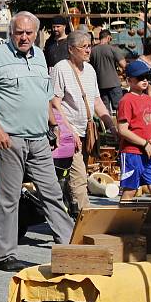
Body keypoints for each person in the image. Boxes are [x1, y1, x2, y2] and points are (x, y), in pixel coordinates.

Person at [0, 11, 74, 271]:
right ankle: (5, 255)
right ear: (11, 32)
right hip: (10, 138)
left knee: (53, 193)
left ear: (36, 33)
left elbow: (45, 96)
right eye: (19, 32)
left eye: (29, 32)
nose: (24, 37)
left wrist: (54, 125)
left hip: (39, 138)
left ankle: (71, 246)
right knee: (9, 198)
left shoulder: (40, 56)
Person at [51, 30, 117, 212]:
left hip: (86, 132)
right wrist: (68, 130)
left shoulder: (90, 70)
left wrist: (110, 124)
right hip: (69, 133)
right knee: (79, 178)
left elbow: (96, 100)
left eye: (90, 46)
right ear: (71, 49)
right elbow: (55, 102)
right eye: (84, 47)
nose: (89, 50)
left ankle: (69, 210)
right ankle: (86, 217)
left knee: (77, 176)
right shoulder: (61, 68)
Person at [117, 61, 151, 201]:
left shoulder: (149, 100)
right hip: (132, 153)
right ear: (129, 80)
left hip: (149, 153)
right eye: (140, 77)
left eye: (146, 77)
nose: (144, 80)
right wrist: (144, 143)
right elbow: (123, 130)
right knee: (130, 191)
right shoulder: (126, 100)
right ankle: (122, 222)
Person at [89, 29, 127, 112]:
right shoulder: (113, 49)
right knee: (120, 109)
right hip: (114, 83)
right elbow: (124, 65)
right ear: (109, 37)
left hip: (100, 84)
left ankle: (108, 125)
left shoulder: (92, 51)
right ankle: (119, 125)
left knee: (105, 110)